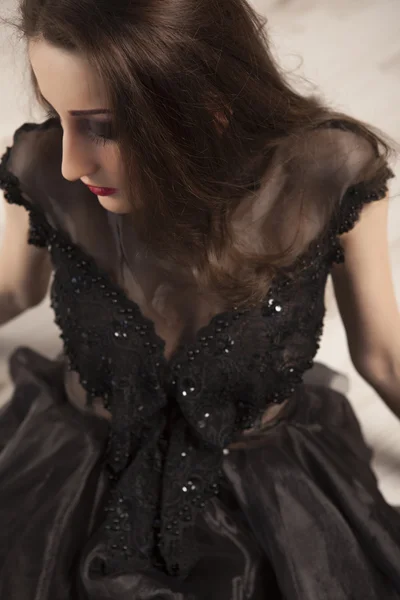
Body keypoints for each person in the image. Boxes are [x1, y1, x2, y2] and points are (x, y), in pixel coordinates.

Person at [0, 0, 399, 597]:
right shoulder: (42, 169)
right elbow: (11, 288)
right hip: (72, 478)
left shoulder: (328, 175)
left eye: (102, 126)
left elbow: (385, 357)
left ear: (206, 108)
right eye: (60, 117)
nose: (71, 163)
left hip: (276, 500)